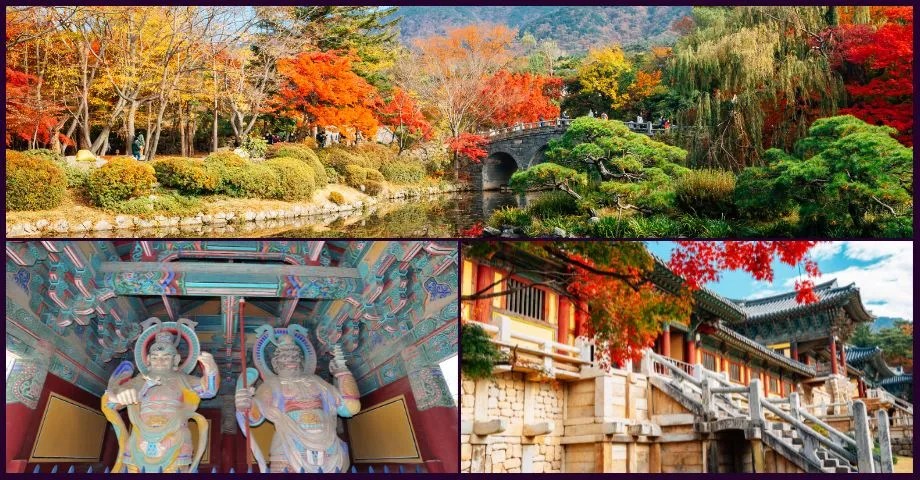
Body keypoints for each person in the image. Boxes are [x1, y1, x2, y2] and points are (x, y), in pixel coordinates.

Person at [236, 328, 360, 473]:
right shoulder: (271, 385)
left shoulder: (316, 381)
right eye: (285, 356)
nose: (291, 359)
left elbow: (351, 408)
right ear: (275, 363)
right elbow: (254, 416)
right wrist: (246, 403)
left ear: (301, 359)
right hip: (288, 445)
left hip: (329, 444)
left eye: (295, 355)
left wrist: (342, 374)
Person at [103, 319, 218, 473]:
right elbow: (111, 398)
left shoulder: (183, 378)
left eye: (166, 357)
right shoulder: (139, 380)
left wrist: (211, 369)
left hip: (174, 436)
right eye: (155, 357)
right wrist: (119, 396)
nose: (160, 361)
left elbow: (208, 390)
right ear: (148, 359)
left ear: (175, 359)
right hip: (140, 438)